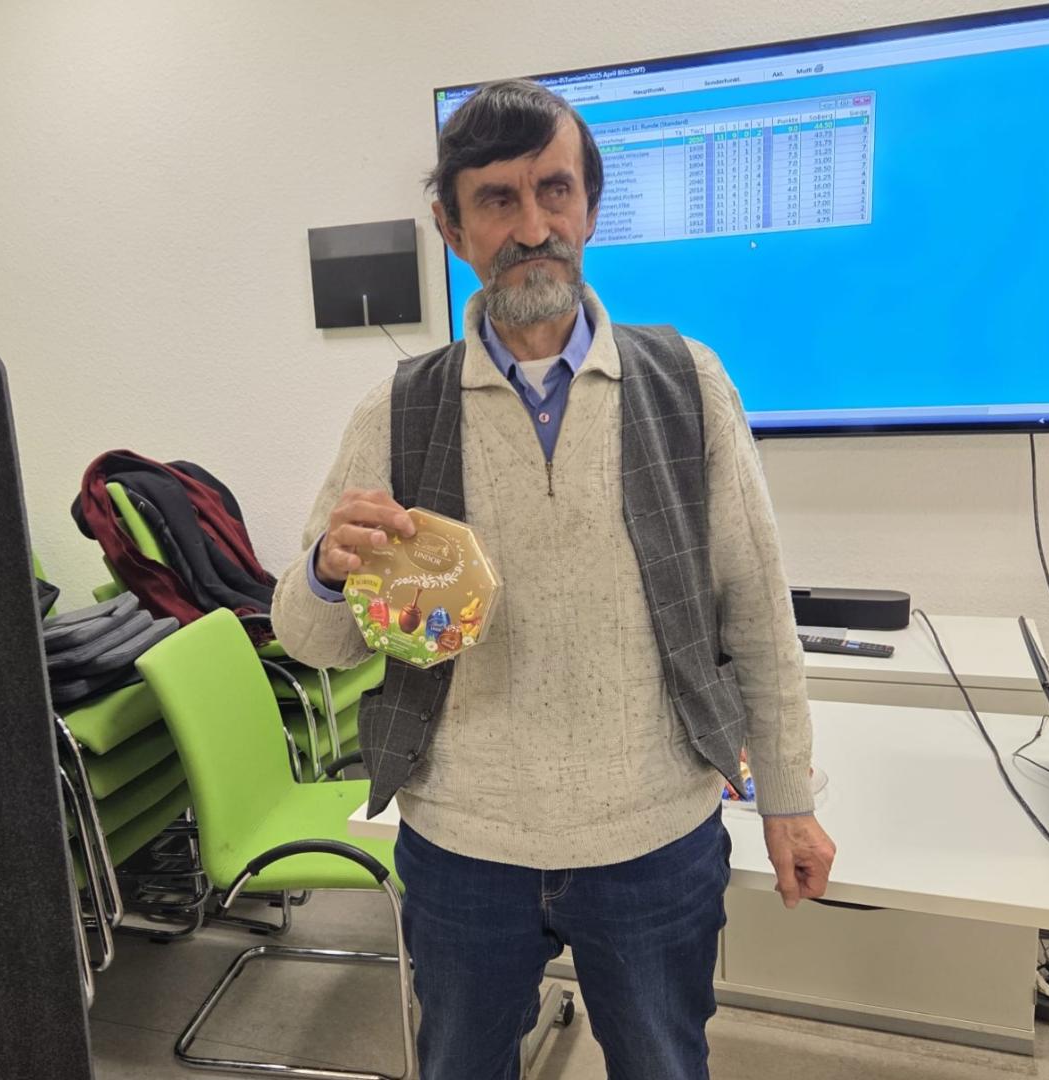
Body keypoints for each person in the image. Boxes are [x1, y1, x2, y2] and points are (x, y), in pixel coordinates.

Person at [272, 78, 836, 1080]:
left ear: (590, 207)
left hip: (655, 840)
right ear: (451, 229)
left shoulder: (689, 385)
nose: (533, 227)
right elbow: (311, 640)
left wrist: (789, 797)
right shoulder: (397, 412)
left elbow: (757, 610)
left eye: (555, 190)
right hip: (462, 849)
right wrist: (325, 571)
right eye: (497, 199)